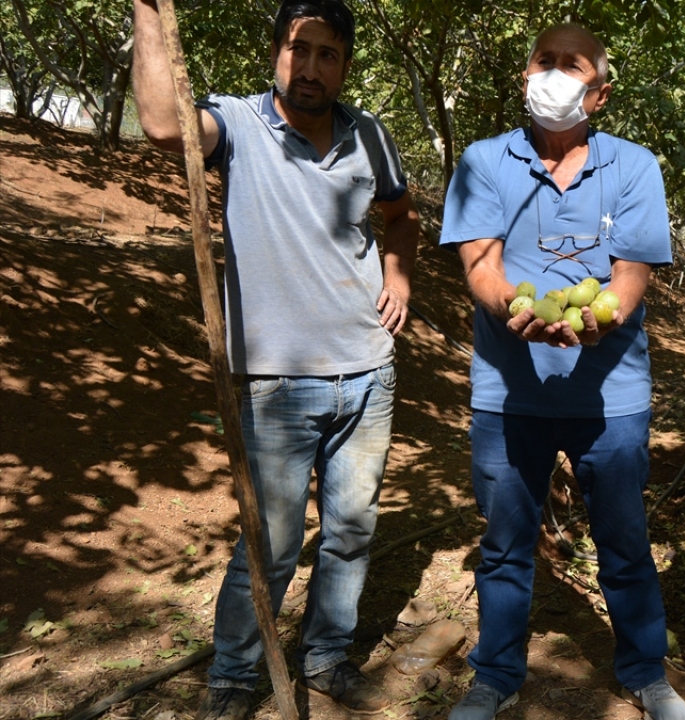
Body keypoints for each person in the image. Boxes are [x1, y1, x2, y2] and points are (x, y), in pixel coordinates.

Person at [131, 0, 420, 717]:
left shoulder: (371, 137)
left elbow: (401, 214)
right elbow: (167, 127)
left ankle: (326, 658)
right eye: (299, 49)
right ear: (275, 52)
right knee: (272, 542)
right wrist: (145, 11)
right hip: (276, 383)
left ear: (345, 65)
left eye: (328, 54)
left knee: (352, 531)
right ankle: (233, 675)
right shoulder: (239, 125)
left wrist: (401, 273)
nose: (312, 66)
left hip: (368, 373)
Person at [437, 23, 685, 720]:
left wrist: (594, 321)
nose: (550, 74)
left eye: (569, 65)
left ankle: (645, 673)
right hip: (506, 392)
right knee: (506, 544)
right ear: (525, 74)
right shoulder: (484, 162)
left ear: (600, 92)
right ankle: (494, 677)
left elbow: (630, 278)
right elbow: (481, 265)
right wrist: (515, 306)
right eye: (542, 61)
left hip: (610, 394)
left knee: (624, 542)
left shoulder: (634, 167)